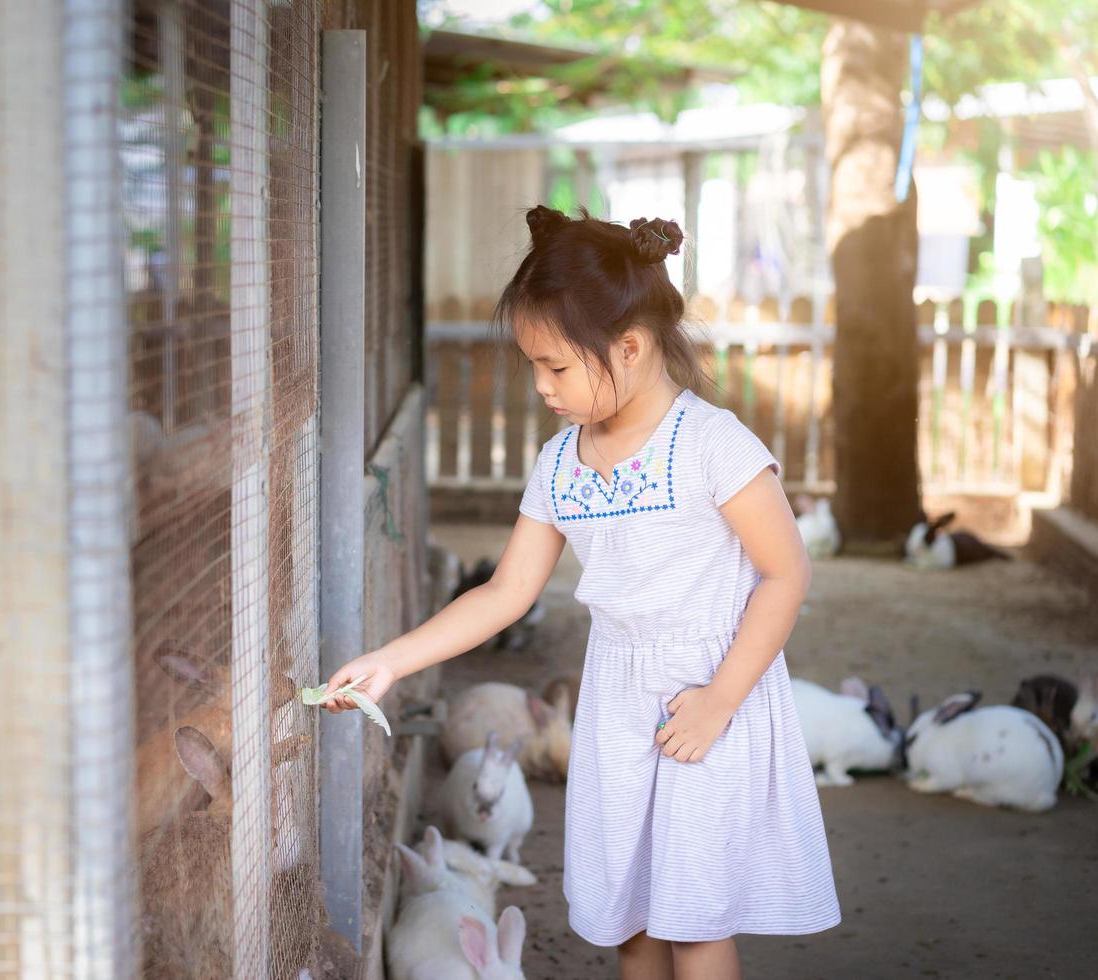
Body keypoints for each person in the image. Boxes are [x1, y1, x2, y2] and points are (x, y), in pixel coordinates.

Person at [319, 206, 840, 980]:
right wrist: (391, 661)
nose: (542, 387)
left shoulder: (711, 444)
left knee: (695, 927)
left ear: (629, 348)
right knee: (632, 923)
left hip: (708, 696)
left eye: (556, 367)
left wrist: (720, 699)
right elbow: (505, 592)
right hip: (619, 703)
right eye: (533, 365)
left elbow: (786, 572)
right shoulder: (560, 463)